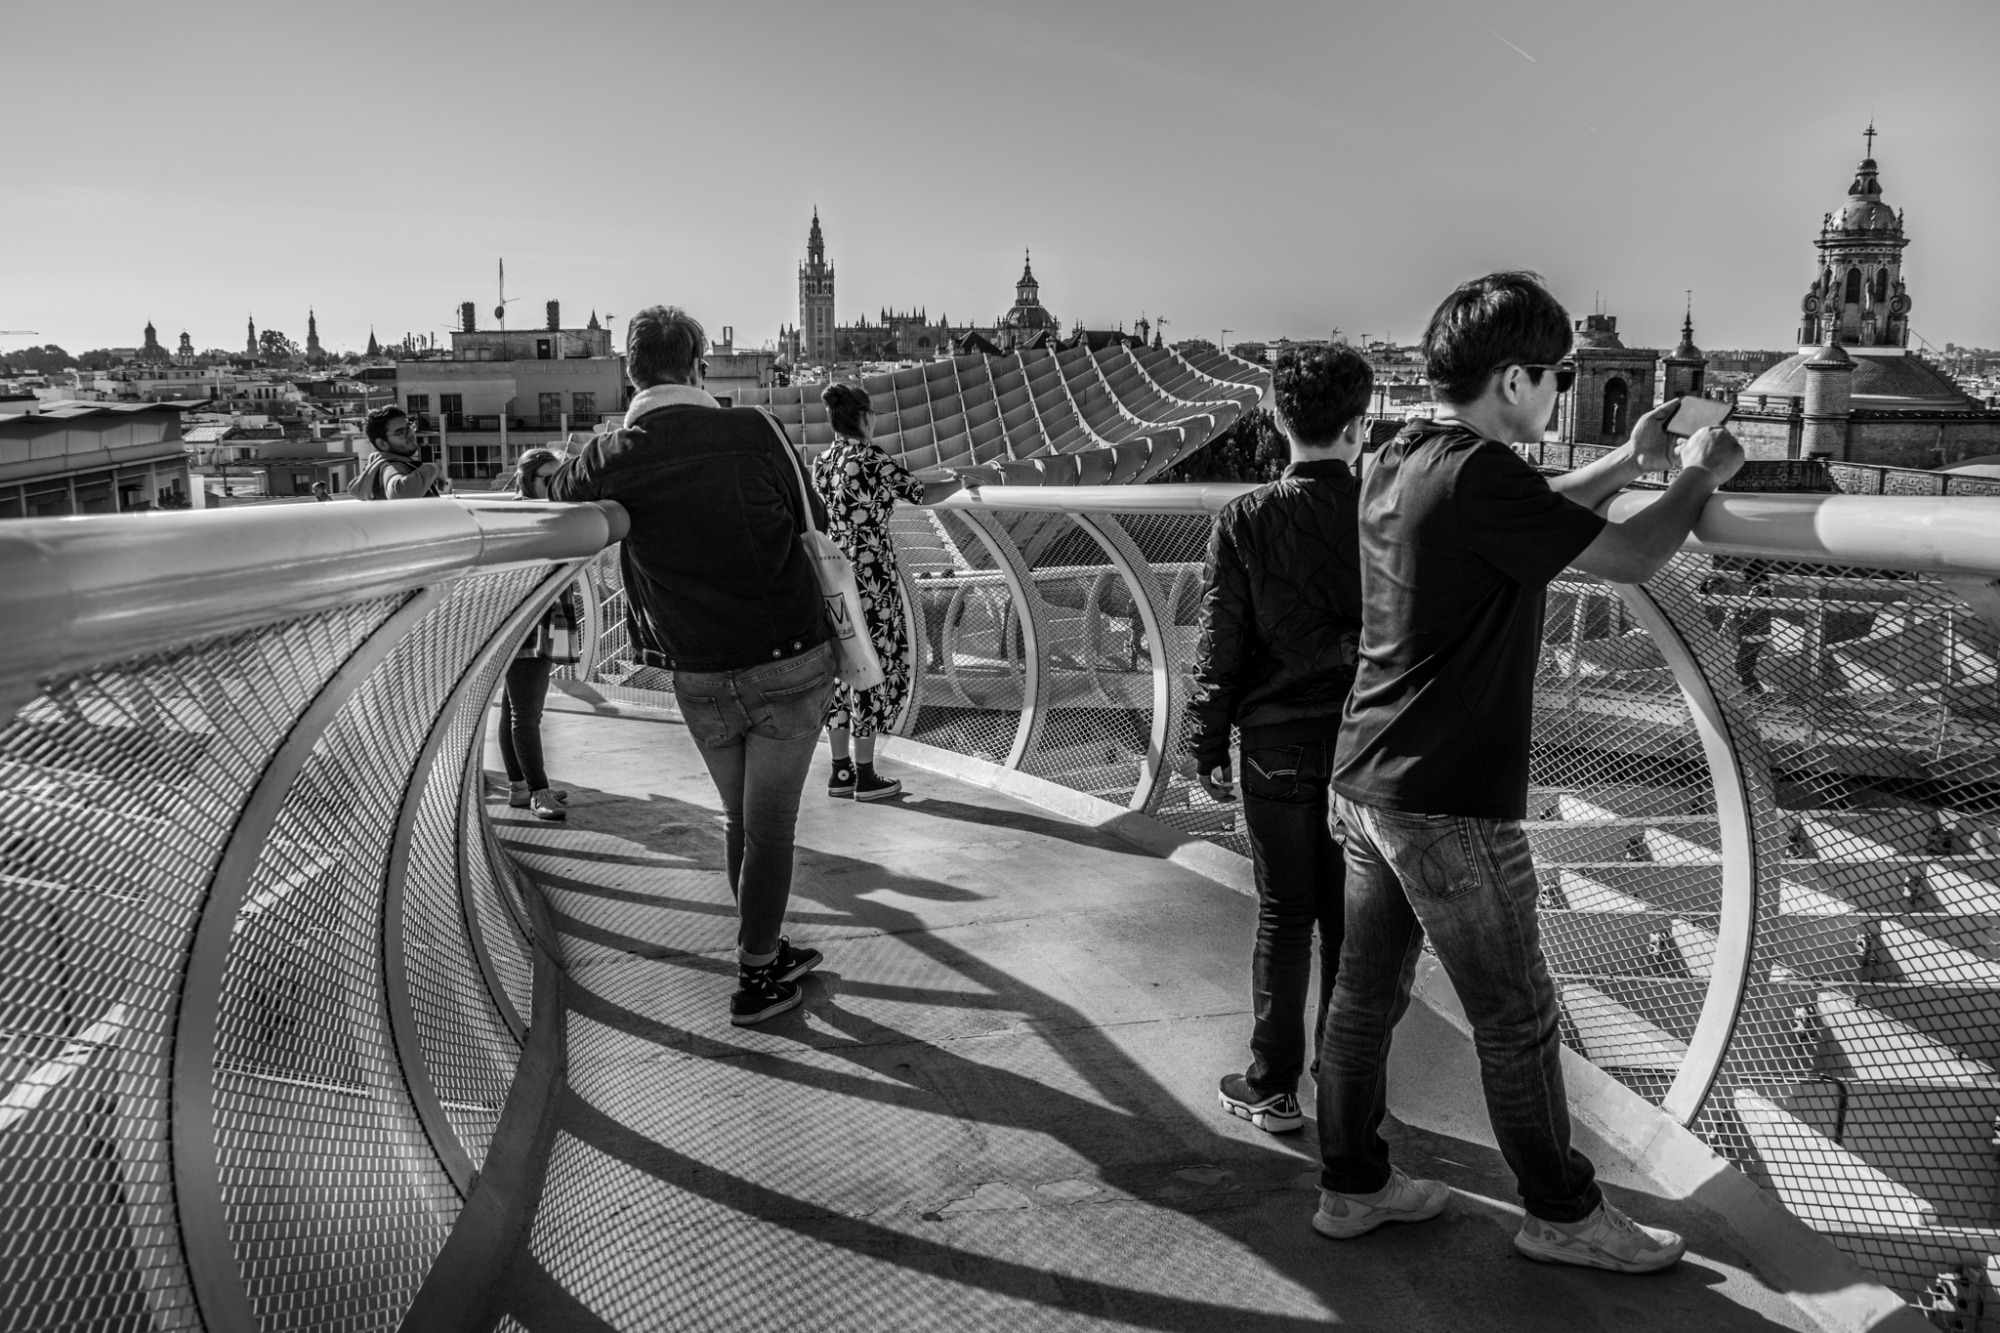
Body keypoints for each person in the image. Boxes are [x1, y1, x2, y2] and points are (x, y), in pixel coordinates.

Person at [1314, 271, 1743, 1272]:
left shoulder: (1399, 455)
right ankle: (1561, 1212)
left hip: (1366, 773)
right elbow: (1632, 556)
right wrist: (1696, 475)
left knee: (1362, 999)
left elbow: (1533, 514)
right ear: (1514, 379)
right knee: (1514, 1015)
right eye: (1557, 375)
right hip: (1448, 797)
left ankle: (1352, 1185)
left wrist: (1626, 461)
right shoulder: (1480, 474)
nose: (1559, 390)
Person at [548, 307, 831, 1026]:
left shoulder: (618, 453)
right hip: (788, 657)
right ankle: (757, 976)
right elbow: (816, 522)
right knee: (770, 828)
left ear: (630, 373)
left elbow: (556, 490)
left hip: (697, 671)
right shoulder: (755, 429)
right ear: (700, 365)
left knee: (743, 820)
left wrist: (608, 448)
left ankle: (762, 945)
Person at [1186, 345, 1372, 1137]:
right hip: (1365, 745)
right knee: (1350, 927)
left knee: (1284, 915)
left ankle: (1270, 1084)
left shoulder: (1246, 518)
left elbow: (1220, 643)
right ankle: (1345, 1082)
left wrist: (1205, 742)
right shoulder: (1385, 513)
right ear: (1359, 426)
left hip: (1274, 742)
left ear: (1276, 419)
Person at [810, 383, 967, 801]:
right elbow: (920, 493)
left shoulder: (823, 462)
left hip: (833, 576)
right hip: (871, 579)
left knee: (842, 665)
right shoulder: (871, 458)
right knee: (872, 666)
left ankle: (841, 772)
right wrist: (961, 480)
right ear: (864, 417)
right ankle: (866, 775)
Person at [498, 447, 576, 822]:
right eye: (549, 477)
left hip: (535, 619)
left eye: (561, 476)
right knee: (527, 715)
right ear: (528, 479)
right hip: (528, 622)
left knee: (515, 709)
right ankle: (537, 791)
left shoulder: (541, 510)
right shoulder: (526, 515)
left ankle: (520, 786)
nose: (557, 484)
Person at [351, 405, 447, 500]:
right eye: (400, 432)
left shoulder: (386, 465)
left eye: (409, 427)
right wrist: (432, 469)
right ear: (382, 444)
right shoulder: (392, 466)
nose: (410, 434)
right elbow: (399, 493)